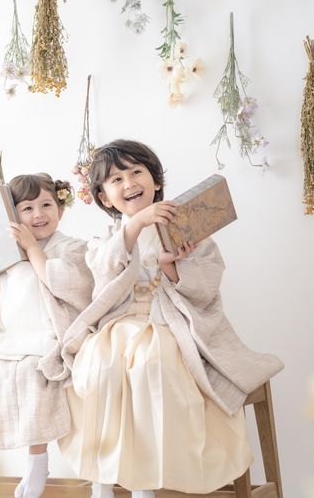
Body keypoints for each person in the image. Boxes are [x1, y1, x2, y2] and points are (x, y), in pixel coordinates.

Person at [51, 140, 283, 498]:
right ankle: (102, 482)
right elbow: (103, 274)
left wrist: (172, 267)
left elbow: (206, 287)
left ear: (156, 181)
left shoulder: (187, 229)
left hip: (169, 322)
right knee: (99, 366)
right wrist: (137, 225)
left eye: (136, 172)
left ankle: (145, 483)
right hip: (120, 323)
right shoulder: (105, 240)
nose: (129, 183)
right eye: (116, 179)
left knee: (151, 363)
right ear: (104, 198)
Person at [0, 173, 93, 498]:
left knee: (32, 372)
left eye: (46, 205)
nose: (38, 215)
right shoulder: (6, 253)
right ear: (12, 215)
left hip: (46, 335)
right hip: (8, 337)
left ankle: (37, 462)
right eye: (27, 208)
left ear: (60, 209)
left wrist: (32, 248)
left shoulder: (71, 247)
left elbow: (70, 286)